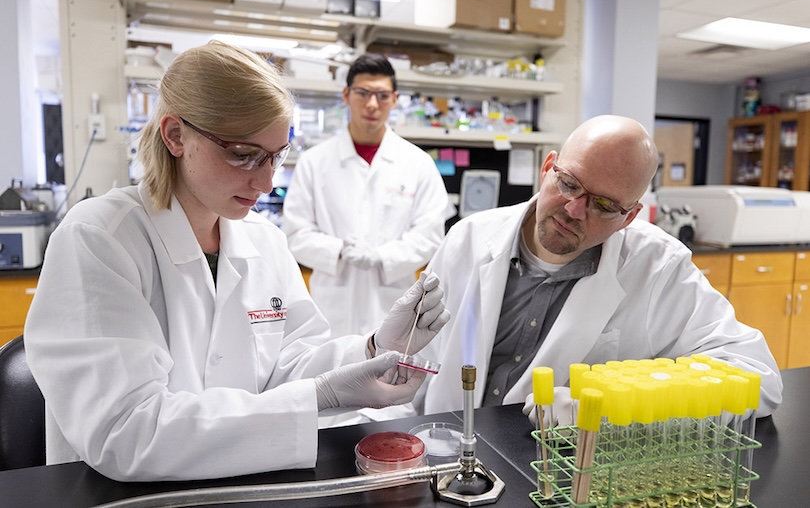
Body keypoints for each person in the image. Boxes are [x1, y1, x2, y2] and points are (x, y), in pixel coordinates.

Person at [23, 41, 450, 482]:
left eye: (277, 156)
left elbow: (288, 364)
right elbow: (130, 433)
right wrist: (317, 396)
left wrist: (373, 348)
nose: (266, 182)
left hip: (247, 481)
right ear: (175, 136)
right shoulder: (99, 239)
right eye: (243, 154)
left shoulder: (263, 239)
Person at [410, 114, 782, 422]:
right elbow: (419, 364)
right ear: (547, 169)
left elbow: (757, 376)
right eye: (569, 184)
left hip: (559, 470)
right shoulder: (468, 237)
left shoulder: (658, 266)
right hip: (449, 447)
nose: (574, 210)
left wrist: (613, 400)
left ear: (629, 216)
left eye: (603, 205)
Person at [282, 53, 449, 339]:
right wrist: (338, 251)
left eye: (382, 95)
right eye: (363, 93)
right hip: (330, 309)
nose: (372, 104)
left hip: (393, 304)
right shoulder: (315, 162)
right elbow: (295, 233)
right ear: (346, 95)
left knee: (390, 375)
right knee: (328, 373)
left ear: (394, 100)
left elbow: (430, 235)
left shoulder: (417, 163)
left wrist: (382, 256)